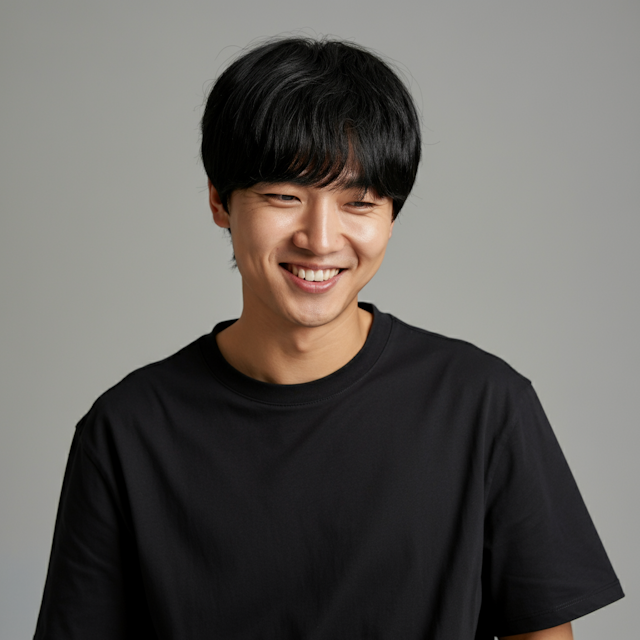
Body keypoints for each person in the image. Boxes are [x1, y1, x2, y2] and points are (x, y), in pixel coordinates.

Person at [34, 37, 623, 640]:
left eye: (358, 202)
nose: (319, 239)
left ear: (392, 214)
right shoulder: (126, 431)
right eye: (284, 196)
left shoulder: (484, 405)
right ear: (219, 201)